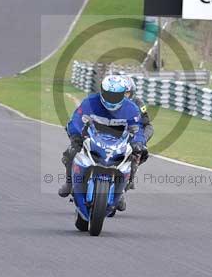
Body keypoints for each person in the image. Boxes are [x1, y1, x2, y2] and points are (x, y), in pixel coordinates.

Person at [58, 74, 147, 212]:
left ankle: (121, 191)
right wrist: (76, 135)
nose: (112, 99)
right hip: (93, 137)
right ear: (102, 91)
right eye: (109, 94)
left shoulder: (132, 108)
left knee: (134, 156)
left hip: (119, 142)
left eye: (116, 96)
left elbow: (138, 128)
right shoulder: (90, 102)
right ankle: (69, 184)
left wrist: (138, 142)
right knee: (71, 151)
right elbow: (76, 120)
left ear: (123, 94)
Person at [123, 76, 153, 190]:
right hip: (111, 135)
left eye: (126, 93)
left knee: (141, 151)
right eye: (121, 93)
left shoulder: (138, 103)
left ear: (131, 93)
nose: (124, 96)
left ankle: (130, 177)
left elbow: (145, 123)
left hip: (131, 135)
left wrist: (140, 141)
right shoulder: (108, 102)